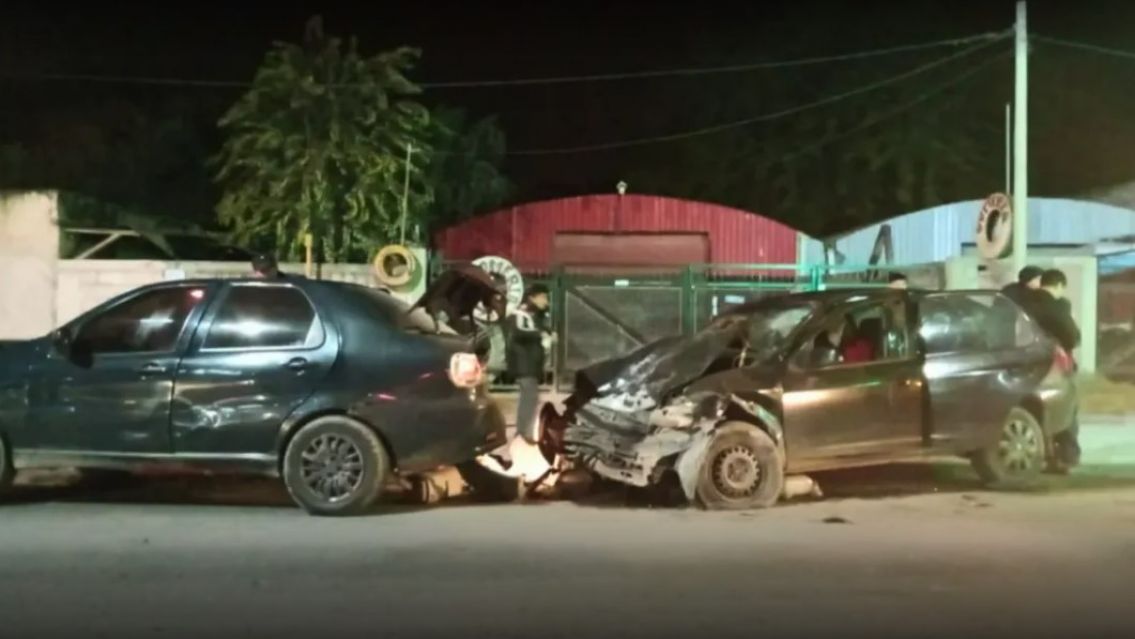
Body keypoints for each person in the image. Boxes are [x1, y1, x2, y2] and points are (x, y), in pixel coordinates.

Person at [1029, 268, 1082, 473]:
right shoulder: (1057, 306)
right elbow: (1073, 337)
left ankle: (1045, 455)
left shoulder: (1025, 304)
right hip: (1056, 364)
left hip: (1030, 364)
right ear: (1059, 286)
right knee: (1066, 408)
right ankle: (1065, 457)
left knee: (1041, 409)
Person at [506, 284, 555, 444]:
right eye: (543, 297)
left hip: (530, 364)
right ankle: (522, 435)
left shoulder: (535, 315)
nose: (546, 301)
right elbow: (520, 332)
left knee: (531, 399)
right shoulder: (522, 313)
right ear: (533, 297)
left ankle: (524, 433)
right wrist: (542, 335)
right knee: (528, 399)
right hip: (524, 364)